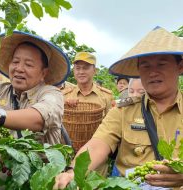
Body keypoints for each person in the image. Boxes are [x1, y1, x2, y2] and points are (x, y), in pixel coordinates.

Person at [54, 26, 183, 189]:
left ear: (180, 67)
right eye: (145, 66)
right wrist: (73, 172)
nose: (152, 73)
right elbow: (99, 143)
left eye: (161, 64)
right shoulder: (124, 110)